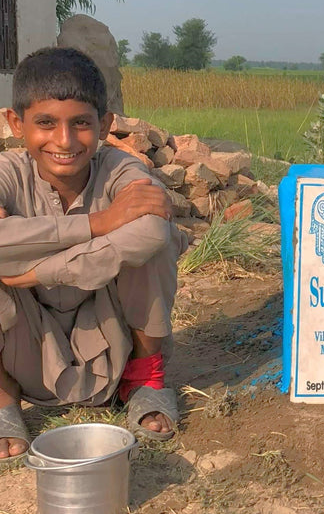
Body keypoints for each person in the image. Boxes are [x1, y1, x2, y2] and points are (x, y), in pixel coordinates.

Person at [0, 48, 188, 459]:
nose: (64, 141)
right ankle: (3, 399)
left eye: (81, 123)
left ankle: (144, 380)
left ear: (104, 125)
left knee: (157, 243)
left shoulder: (120, 170)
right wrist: (99, 224)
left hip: (108, 344)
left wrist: (35, 270)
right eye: (45, 123)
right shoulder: (7, 174)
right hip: (24, 347)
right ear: (16, 124)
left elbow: (153, 229)